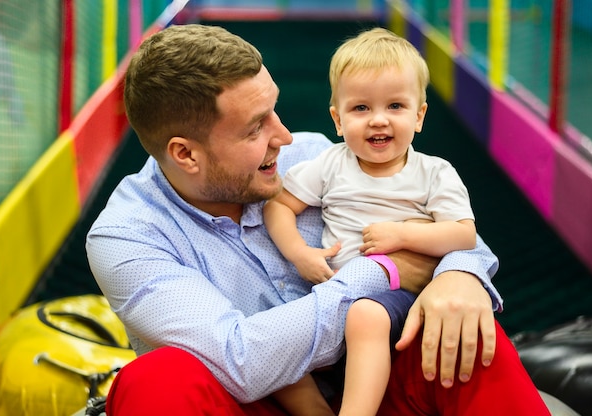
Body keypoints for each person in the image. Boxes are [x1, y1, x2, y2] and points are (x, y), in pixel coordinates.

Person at [85, 23, 550, 415]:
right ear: (184, 154)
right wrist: (381, 271)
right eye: (255, 127)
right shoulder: (127, 237)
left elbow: (452, 228)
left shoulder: (311, 155)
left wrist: (459, 275)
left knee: (464, 331)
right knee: (156, 380)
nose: (284, 136)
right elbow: (241, 360)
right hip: (255, 404)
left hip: (370, 389)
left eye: (274, 110)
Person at [263, 27, 477, 416]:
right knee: (275, 337)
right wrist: (299, 254)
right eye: (361, 108)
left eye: (395, 106)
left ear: (419, 116)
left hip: (400, 296)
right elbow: (278, 204)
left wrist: (403, 234)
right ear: (338, 120)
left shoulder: (433, 172)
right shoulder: (331, 163)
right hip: (332, 293)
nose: (378, 120)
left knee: (365, 316)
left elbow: (463, 234)